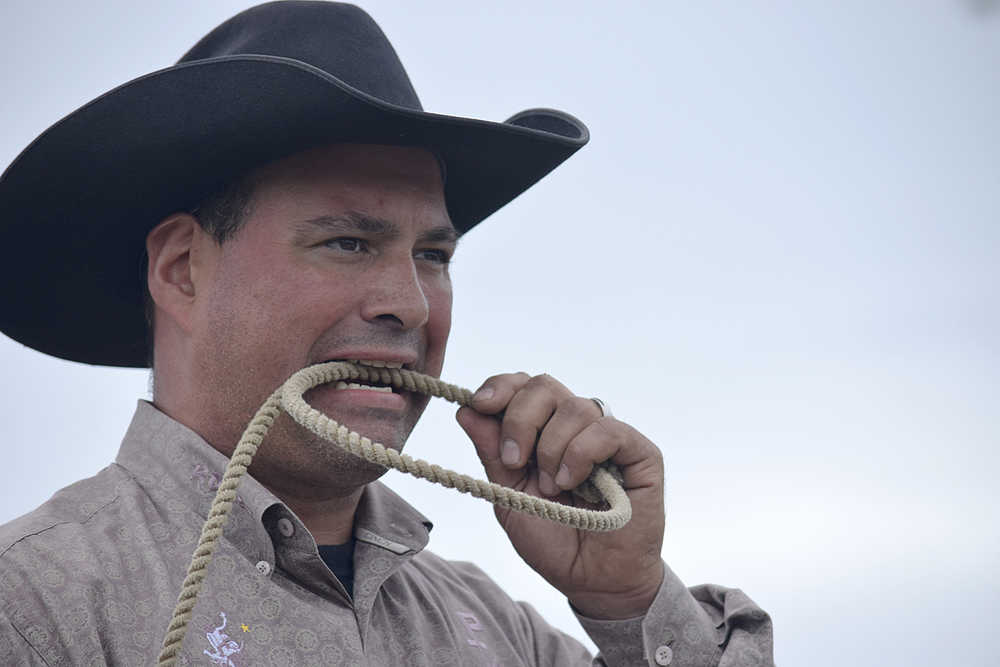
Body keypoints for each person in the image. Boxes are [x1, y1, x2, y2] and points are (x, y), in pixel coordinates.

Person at [0, 2, 773, 665]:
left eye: (433, 255)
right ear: (180, 269)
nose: (410, 303)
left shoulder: (495, 632)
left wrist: (625, 597)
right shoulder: (34, 606)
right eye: (348, 242)